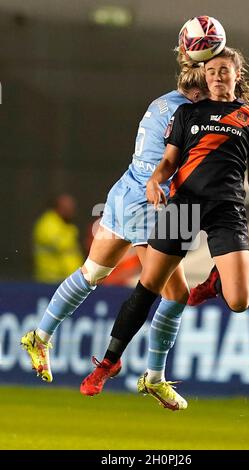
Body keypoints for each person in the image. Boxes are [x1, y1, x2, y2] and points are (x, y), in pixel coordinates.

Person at [79, 46, 249, 409]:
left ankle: (216, 281)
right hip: (184, 205)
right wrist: (156, 180)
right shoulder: (187, 113)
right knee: (148, 286)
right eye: (212, 70)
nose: (217, 76)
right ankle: (108, 363)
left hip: (226, 211)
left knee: (239, 301)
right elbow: (169, 161)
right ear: (204, 76)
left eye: (224, 70)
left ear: (237, 74)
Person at [21, 37, 207, 411]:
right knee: (174, 294)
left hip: (124, 191)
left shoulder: (161, 102)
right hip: (148, 205)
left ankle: (39, 335)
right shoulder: (187, 115)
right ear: (200, 90)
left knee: (92, 272)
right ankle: (153, 377)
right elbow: (175, 168)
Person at [32, 194, 83, 283]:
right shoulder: (48, 224)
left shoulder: (66, 225)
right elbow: (60, 245)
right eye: (67, 208)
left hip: (68, 279)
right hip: (51, 279)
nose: (71, 211)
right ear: (58, 208)